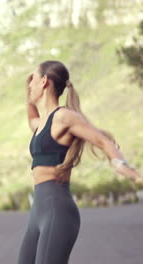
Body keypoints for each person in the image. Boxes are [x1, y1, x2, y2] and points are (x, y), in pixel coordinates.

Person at [18, 60, 142, 264]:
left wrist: (123, 166)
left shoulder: (64, 117)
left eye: (34, 79)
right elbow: (31, 118)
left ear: (45, 81)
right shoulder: (42, 123)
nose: (30, 84)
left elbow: (102, 140)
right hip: (38, 211)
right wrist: (27, 88)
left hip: (57, 209)